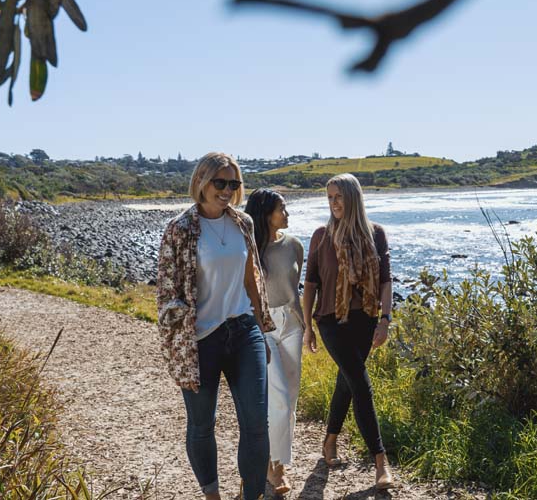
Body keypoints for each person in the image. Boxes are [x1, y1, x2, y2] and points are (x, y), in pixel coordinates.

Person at [156, 152, 274, 500]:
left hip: (243, 330)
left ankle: (251, 496)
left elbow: (252, 279)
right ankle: (212, 495)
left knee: (256, 423)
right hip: (200, 337)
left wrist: (263, 330)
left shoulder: (244, 224)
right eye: (219, 183)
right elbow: (166, 290)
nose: (226, 190)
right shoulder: (180, 228)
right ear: (201, 182)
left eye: (233, 184)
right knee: (202, 424)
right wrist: (179, 339)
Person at [302, 173, 395, 490]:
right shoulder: (321, 236)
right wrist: (307, 328)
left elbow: (385, 280)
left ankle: (329, 441)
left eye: (339, 196)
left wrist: (385, 320)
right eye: (329, 198)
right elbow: (311, 283)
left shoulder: (376, 234)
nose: (334, 203)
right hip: (330, 320)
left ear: (353, 198)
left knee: (346, 382)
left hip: (366, 319)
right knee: (360, 383)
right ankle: (381, 462)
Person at [244, 189, 304, 495]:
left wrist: (308, 327)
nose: (288, 213)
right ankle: (273, 465)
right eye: (283, 209)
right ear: (267, 214)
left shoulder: (295, 246)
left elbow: (295, 289)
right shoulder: (250, 249)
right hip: (263, 325)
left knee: (289, 399)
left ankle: (278, 458)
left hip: (293, 325)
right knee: (278, 398)